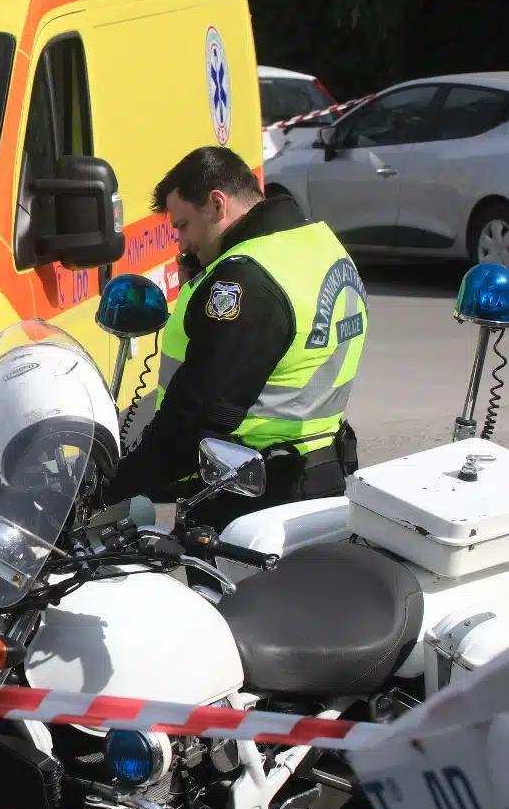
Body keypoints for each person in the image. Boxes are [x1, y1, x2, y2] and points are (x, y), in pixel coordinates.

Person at [102, 146, 367, 527]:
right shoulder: (320, 244)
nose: (182, 244)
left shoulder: (244, 280)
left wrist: (110, 488)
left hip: (250, 496)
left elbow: (196, 415)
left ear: (216, 204)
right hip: (320, 472)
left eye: (183, 226)